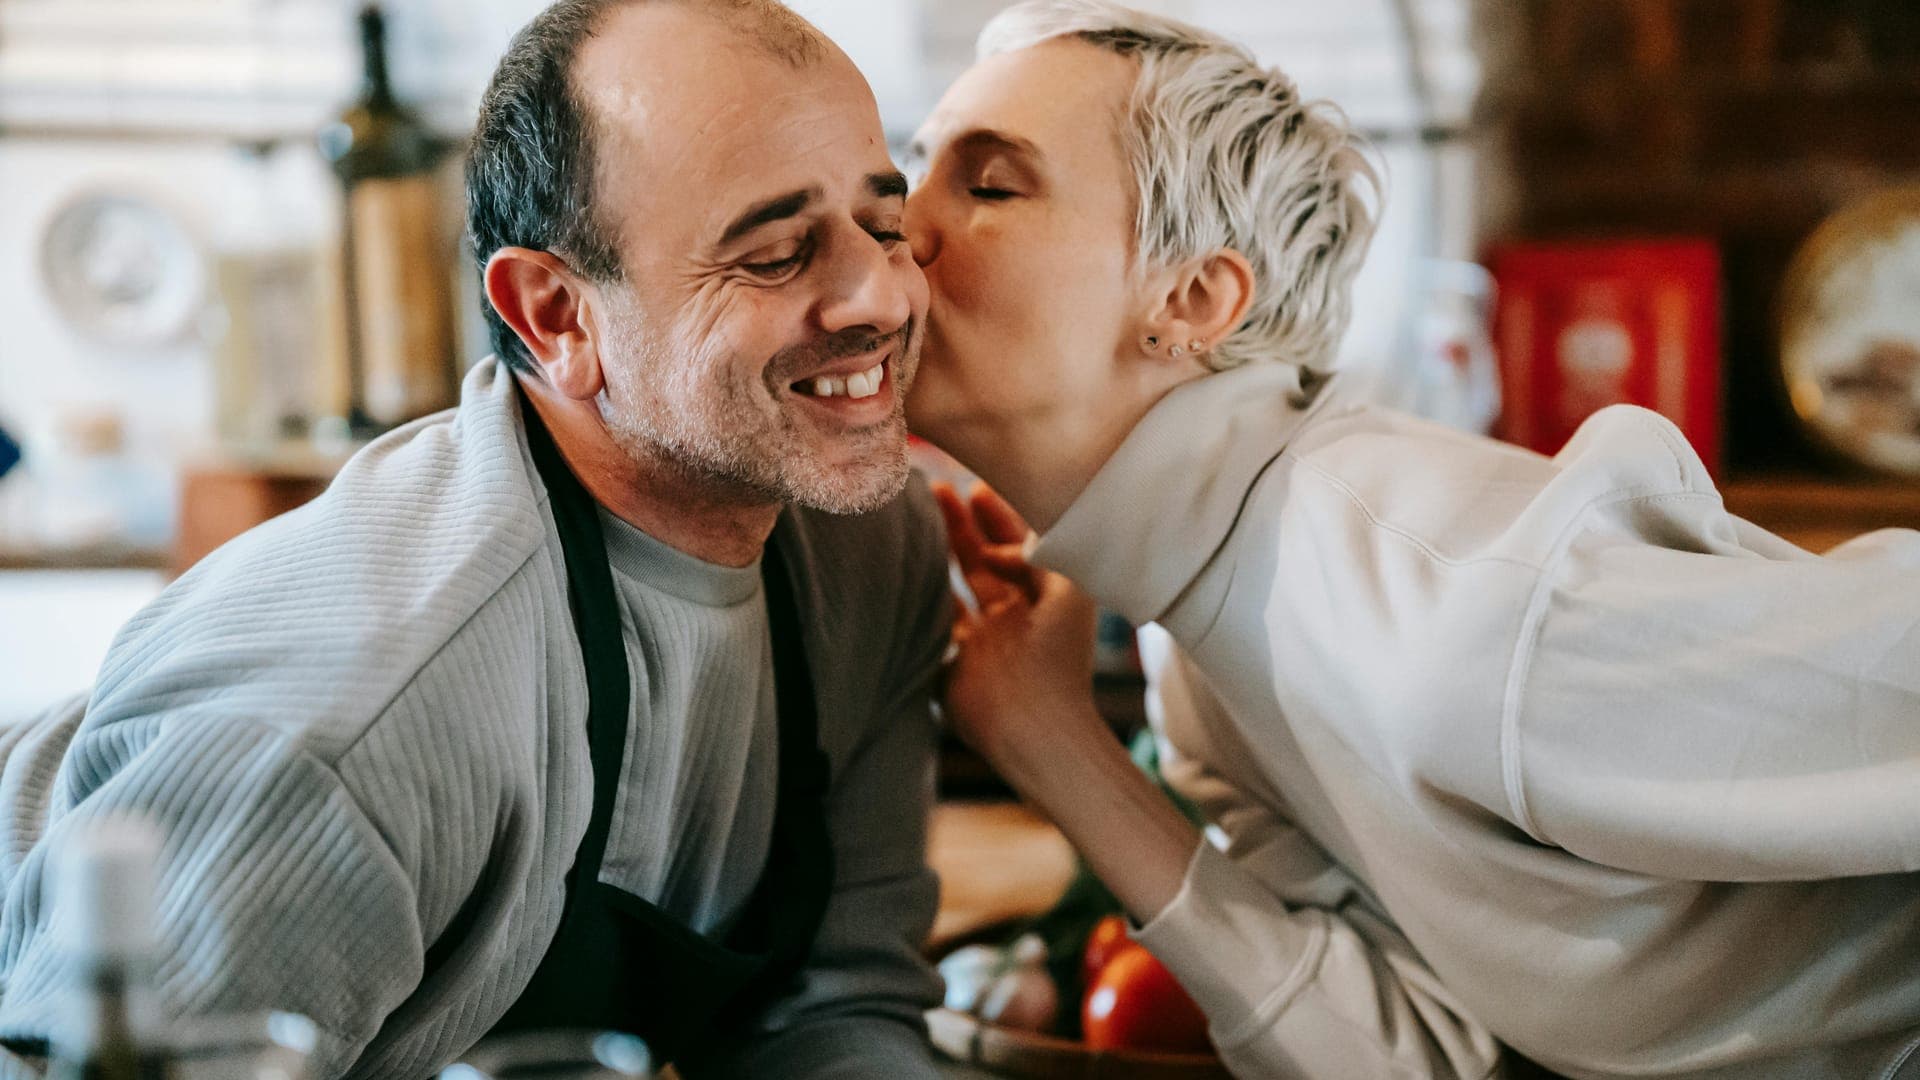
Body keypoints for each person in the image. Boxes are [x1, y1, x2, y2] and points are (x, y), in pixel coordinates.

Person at [903, 2, 1920, 1078]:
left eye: (989, 185)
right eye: (913, 172)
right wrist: (1050, 747)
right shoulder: (1203, 661)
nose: (898, 226)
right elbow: (1416, 1062)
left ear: (1194, 298)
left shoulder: (1457, 603)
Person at [0, 2, 954, 1077]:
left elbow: (834, 1012)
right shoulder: (358, 726)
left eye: (884, 227)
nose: (880, 294)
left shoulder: (870, 550)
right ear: (555, 315)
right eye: (777, 255)